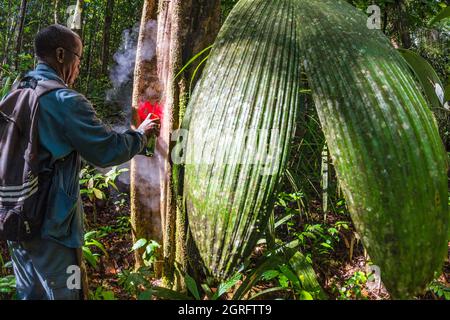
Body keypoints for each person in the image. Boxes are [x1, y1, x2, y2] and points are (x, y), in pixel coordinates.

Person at [6, 24, 160, 300]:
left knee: (29, 293)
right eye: (78, 59)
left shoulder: (17, 92)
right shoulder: (64, 100)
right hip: (52, 227)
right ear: (62, 55)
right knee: (68, 291)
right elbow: (106, 150)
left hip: (14, 219)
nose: (78, 68)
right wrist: (139, 135)